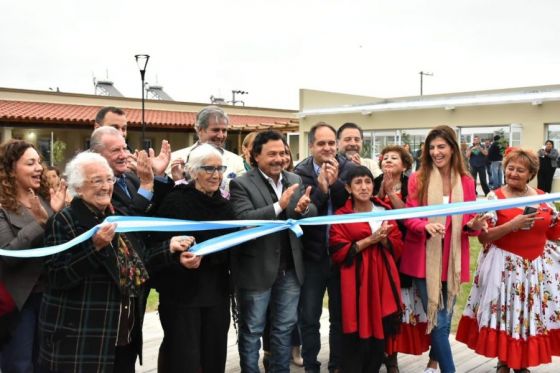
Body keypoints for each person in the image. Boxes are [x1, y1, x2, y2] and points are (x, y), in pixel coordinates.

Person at [37, 152, 186, 372]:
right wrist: (94, 248)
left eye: (109, 179)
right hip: (83, 339)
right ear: (78, 187)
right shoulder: (64, 220)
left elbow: (138, 262)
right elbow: (56, 276)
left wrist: (169, 248)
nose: (106, 186)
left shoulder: (116, 217)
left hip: (121, 337)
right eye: (97, 180)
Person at [456, 148, 560, 373]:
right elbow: (484, 237)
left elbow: (554, 229)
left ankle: (521, 362)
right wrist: (514, 224)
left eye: (520, 170)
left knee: (527, 314)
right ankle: (504, 361)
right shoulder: (495, 197)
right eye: (510, 168)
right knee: (506, 312)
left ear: (530, 173)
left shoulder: (542, 196)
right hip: (504, 266)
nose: (513, 173)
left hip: (534, 269)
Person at [401, 125, 487, 373]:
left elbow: (469, 219)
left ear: (452, 149)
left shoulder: (467, 181)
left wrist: (475, 225)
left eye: (441, 146)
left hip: (453, 261)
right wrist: (424, 226)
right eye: (432, 147)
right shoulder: (419, 178)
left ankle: (434, 364)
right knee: (438, 322)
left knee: (444, 321)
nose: (436, 152)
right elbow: (409, 216)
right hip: (423, 259)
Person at [230, 130, 316, 373]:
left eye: (283, 153)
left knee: (284, 328)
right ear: (256, 156)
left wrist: (302, 209)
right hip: (256, 270)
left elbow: (312, 211)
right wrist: (280, 206)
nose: (279, 159)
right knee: (252, 330)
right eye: (272, 154)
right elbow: (243, 218)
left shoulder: (293, 178)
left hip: (290, 270)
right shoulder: (241, 183)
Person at [153, 144, 234, 373]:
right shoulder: (175, 202)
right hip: (182, 296)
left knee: (214, 356)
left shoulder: (225, 206)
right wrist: (179, 261)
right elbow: (158, 246)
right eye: (209, 169)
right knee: (183, 358)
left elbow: (231, 249)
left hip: (216, 294)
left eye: (220, 169)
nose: (216, 175)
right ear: (193, 171)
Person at [294, 122, 357, 373]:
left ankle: (337, 366)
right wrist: (321, 188)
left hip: (342, 255)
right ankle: (311, 365)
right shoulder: (299, 173)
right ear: (311, 146)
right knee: (309, 317)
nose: (328, 148)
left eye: (332, 143)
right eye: (321, 143)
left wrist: (336, 183)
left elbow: (352, 205)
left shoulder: (349, 169)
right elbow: (303, 214)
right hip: (313, 257)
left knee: (339, 318)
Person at [329, 166, 404, 372]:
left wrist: (384, 239)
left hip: (381, 278)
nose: (364, 187)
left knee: (379, 324)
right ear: (348, 187)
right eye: (358, 182)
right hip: (354, 279)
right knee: (354, 324)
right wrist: (371, 240)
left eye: (368, 182)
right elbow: (337, 251)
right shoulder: (341, 215)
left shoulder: (384, 211)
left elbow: (398, 244)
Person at [0, 140, 66, 373]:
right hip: (19, 305)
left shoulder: (48, 202)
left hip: (51, 298)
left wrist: (59, 217)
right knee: (20, 365)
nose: (39, 167)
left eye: (39, 161)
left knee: (46, 364)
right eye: (30, 163)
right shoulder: (2, 208)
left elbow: (60, 246)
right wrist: (41, 223)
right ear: (10, 169)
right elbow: (8, 254)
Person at [372, 146, 430, 372]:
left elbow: (409, 218)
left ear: (405, 165)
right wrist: (380, 192)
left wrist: (392, 193)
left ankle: (392, 358)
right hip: (378, 248)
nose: (388, 160)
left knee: (399, 304)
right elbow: (371, 210)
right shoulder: (373, 181)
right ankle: (378, 353)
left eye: (394, 158)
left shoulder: (412, 184)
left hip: (404, 249)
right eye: (385, 157)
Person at [90, 126, 173, 216]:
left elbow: (162, 207)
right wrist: (145, 185)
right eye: (115, 150)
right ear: (97, 154)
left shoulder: (132, 177)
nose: (123, 156)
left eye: (125, 149)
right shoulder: (96, 186)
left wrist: (158, 174)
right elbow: (127, 221)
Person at [168, 106, 245, 187]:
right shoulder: (175, 159)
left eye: (224, 130)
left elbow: (241, 192)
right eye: (216, 130)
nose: (221, 135)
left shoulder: (237, 161)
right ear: (200, 129)